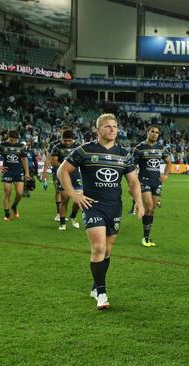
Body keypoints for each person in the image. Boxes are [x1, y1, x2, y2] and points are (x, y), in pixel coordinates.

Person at [58, 114, 144, 310]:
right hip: (92, 205)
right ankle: (102, 293)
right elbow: (62, 171)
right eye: (107, 126)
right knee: (98, 247)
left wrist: (139, 202)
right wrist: (73, 195)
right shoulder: (85, 150)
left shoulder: (123, 154)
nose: (112, 129)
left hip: (114, 206)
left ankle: (95, 286)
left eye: (115, 126)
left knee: (107, 250)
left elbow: (133, 181)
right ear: (98, 130)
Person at [132, 125, 171, 247]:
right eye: (152, 132)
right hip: (143, 180)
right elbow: (132, 166)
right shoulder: (139, 148)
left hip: (156, 181)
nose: (155, 134)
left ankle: (147, 236)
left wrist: (165, 174)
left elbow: (168, 162)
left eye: (157, 132)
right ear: (147, 132)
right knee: (148, 206)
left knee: (152, 209)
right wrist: (133, 181)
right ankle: (144, 237)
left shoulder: (162, 148)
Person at [50, 130, 82, 230]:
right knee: (64, 199)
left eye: (69, 140)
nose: (67, 143)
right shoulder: (57, 147)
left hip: (76, 175)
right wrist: (66, 168)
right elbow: (53, 162)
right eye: (65, 141)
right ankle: (62, 223)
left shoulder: (78, 147)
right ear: (61, 139)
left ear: (73, 139)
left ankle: (73, 216)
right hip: (63, 175)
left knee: (79, 200)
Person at [0, 130, 30, 220]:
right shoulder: (2, 145)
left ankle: (14, 206)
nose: (13, 142)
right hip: (7, 171)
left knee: (20, 193)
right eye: (11, 140)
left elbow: (24, 159)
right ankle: (7, 213)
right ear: (8, 137)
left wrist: (27, 172)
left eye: (15, 140)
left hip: (18, 171)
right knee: (7, 192)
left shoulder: (21, 146)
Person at [46, 125, 71, 222]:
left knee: (68, 193)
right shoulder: (53, 144)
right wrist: (44, 171)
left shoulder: (73, 144)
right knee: (58, 191)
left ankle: (63, 213)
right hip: (57, 171)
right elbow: (49, 158)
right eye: (63, 130)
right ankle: (58, 213)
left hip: (71, 172)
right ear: (60, 132)